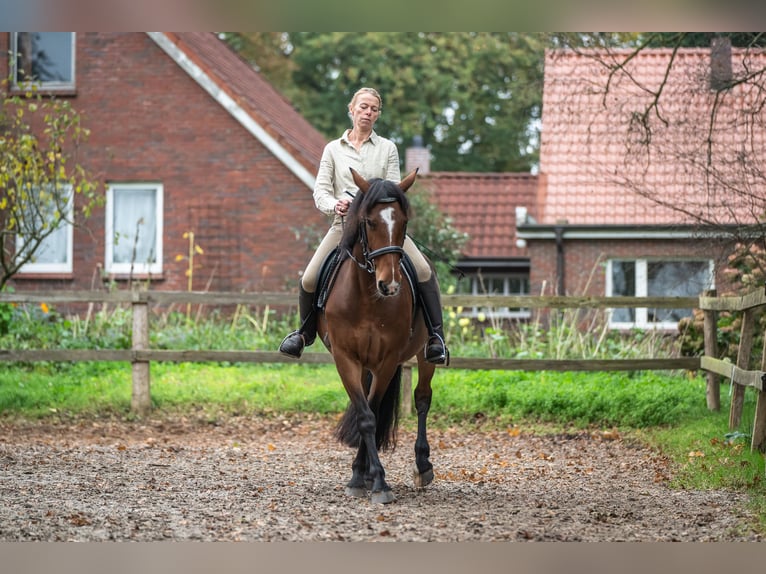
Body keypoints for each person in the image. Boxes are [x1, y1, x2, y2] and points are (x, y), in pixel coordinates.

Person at [278, 86, 448, 364]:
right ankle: (304, 333)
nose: (368, 112)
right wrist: (336, 205)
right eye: (363, 107)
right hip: (343, 225)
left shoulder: (387, 149)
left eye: (373, 109)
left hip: (382, 227)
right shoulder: (332, 149)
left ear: (378, 115)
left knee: (423, 270)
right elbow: (320, 191)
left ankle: (436, 338)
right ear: (352, 110)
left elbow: (394, 190)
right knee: (309, 277)